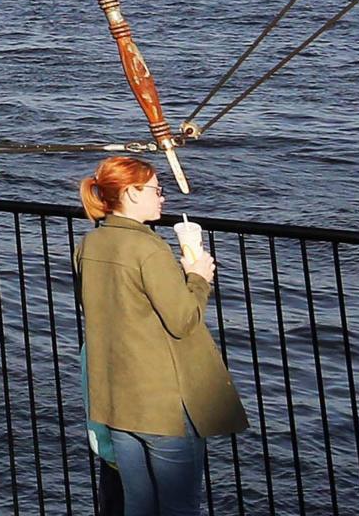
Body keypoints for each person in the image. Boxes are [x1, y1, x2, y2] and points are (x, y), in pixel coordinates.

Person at [74, 154, 243, 515]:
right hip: (162, 403)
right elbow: (183, 319)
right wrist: (198, 277)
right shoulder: (148, 248)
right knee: (179, 507)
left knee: (138, 504)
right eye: (155, 189)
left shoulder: (90, 244)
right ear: (132, 194)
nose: (162, 197)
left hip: (116, 400)